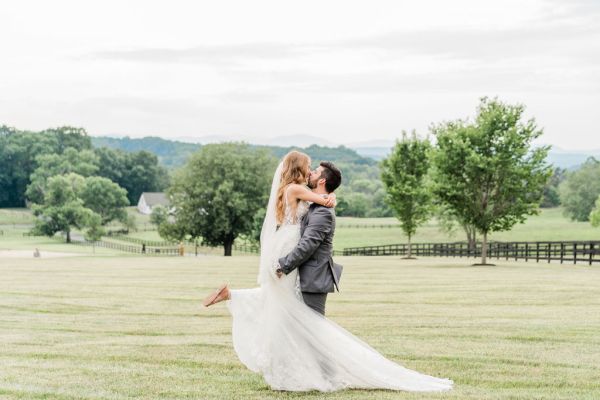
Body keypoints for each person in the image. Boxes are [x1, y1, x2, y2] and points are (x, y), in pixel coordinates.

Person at [202, 150, 453, 392]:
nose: (310, 173)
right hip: (295, 266)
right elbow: (305, 238)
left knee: (305, 325)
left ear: (321, 180)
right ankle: (311, 373)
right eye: (308, 168)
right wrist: (285, 262)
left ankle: (326, 374)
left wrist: (284, 263)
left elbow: (309, 243)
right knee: (295, 320)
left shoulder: (320, 211)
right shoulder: (310, 201)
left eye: (315, 171)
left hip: (309, 274)